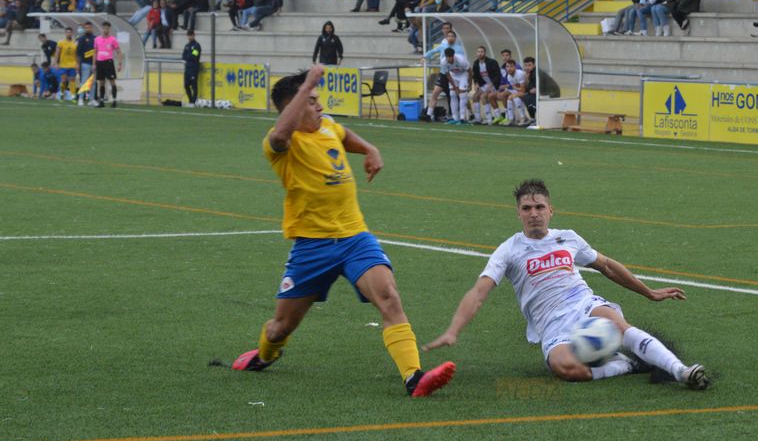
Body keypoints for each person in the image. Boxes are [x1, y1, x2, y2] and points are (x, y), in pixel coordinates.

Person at [232, 66, 457, 398]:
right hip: (312, 247)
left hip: (355, 239)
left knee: (389, 297)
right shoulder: (281, 142)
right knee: (280, 328)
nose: (319, 106)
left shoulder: (327, 127)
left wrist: (370, 149)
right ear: (292, 108)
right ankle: (266, 354)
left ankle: (414, 377)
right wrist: (307, 82)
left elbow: (342, 132)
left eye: (318, 99)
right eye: (310, 101)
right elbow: (279, 136)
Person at [424, 180, 709, 388]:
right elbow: (479, 293)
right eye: (526, 208)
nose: (533, 213)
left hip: (583, 304)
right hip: (550, 325)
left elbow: (607, 266)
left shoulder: (568, 237)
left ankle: (681, 371)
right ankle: (628, 364)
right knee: (566, 369)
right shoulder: (508, 250)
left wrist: (648, 293)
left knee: (621, 326)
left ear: (551, 210)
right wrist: (453, 330)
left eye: (539, 206)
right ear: (518, 213)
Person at [92, 20, 123, 108]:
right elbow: (95, 52)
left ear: (109, 29)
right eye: (104, 28)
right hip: (99, 62)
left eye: (107, 28)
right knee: (101, 82)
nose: (105, 30)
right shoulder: (97, 39)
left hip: (108, 62)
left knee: (112, 81)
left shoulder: (113, 39)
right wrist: (94, 64)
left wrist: (120, 64)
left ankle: (114, 100)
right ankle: (101, 101)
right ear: (101, 29)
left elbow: (119, 52)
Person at [471, 45, 501, 125]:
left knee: (483, 96)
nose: (480, 53)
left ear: (485, 53)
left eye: (482, 52)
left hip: (494, 84)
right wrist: (476, 84)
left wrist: (491, 84)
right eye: (478, 52)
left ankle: (489, 119)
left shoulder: (492, 62)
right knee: (474, 97)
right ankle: (478, 119)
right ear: (476, 53)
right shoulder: (476, 63)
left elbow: (498, 75)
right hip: (484, 85)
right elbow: (475, 76)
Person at [440, 47, 470, 124]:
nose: (449, 59)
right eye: (448, 57)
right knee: (452, 94)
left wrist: (469, 83)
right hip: (453, 75)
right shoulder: (443, 62)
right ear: (445, 56)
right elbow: (448, 75)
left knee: (462, 95)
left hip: (463, 74)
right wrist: (455, 87)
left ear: (454, 56)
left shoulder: (461, 60)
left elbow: (470, 71)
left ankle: (462, 118)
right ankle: (455, 118)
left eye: (451, 57)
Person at [497, 59, 527, 126]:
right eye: (507, 66)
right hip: (520, 90)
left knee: (514, 97)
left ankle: (524, 118)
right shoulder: (509, 76)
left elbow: (523, 90)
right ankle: (511, 119)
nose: (509, 68)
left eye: (511, 66)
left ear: (515, 67)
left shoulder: (520, 74)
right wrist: (514, 89)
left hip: (528, 91)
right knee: (510, 98)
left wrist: (514, 89)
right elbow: (516, 88)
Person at [53, 26, 78, 100]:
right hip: (63, 65)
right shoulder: (61, 42)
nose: (68, 34)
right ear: (65, 33)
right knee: (64, 80)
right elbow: (57, 53)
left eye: (70, 32)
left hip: (72, 65)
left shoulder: (75, 43)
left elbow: (77, 54)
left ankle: (73, 95)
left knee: (72, 79)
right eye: (67, 32)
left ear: (72, 33)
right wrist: (56, 63)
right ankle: (61, 93)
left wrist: (77, 64)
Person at [75, 20, 96, 105]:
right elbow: (78, 53)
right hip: (85, 63)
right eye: (86, 27)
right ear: (84, 28)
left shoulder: (95, 38)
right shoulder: (82, 39)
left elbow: (96, 51)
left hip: (94, 63)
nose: (88, 29)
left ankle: (91, 99)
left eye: (89, 27)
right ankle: (81, 99)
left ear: (92, 28)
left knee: (93, 82)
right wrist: (77, 64)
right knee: (83, 81)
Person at [181, 29, 201, 106]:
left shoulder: (196, 45)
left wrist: (188, 57)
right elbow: (183, 57)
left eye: (190, 35)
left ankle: (193, 101)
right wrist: (188, 57)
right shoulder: (187, 46)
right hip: (187, 68)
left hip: (194, 68)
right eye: (188, 35)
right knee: (186, 85)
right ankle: (190, 100)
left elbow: (194, 56)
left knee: (194, 85)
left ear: (193, 35)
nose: (189, 37)